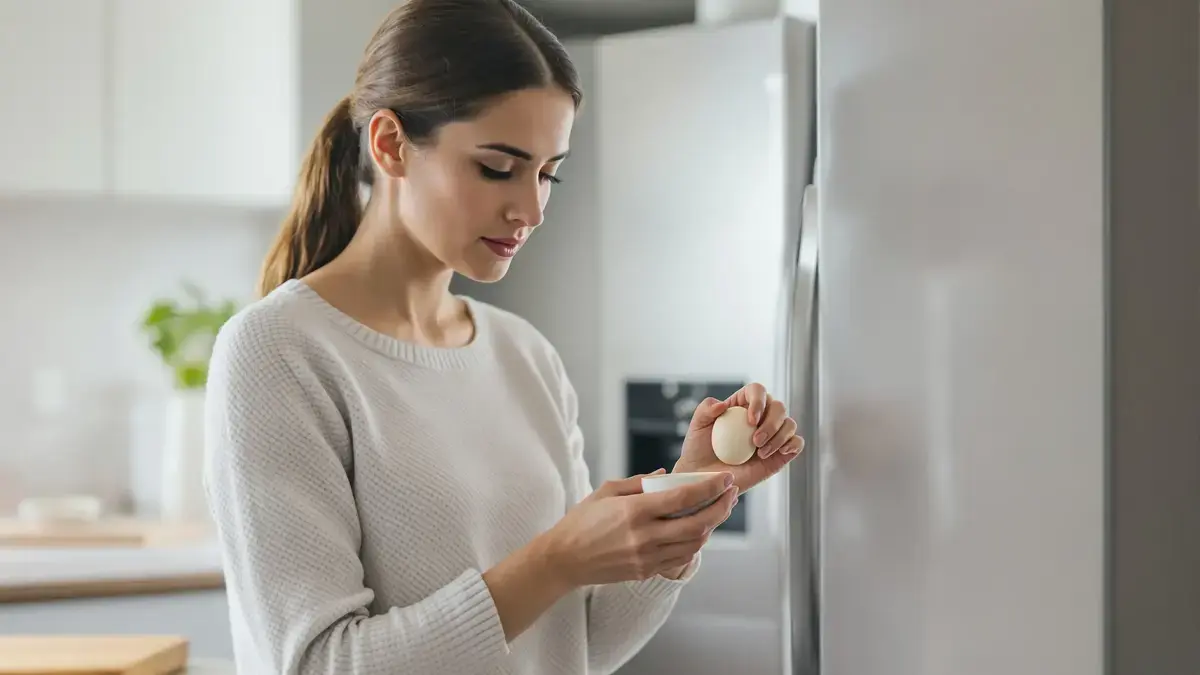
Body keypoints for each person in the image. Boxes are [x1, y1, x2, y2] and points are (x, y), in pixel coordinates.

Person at [202, 1, 804, 673]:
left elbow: (579, 644)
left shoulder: (525, 356)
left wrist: (694, 491)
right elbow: (319, 663)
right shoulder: (279, 351)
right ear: (390, 144)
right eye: (497, 167)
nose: (532, 209)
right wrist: (557, 558)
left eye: (548, 172)